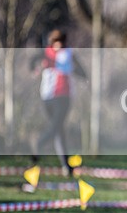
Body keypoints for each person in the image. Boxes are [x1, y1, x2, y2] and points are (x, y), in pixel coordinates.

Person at [31, 29, 87, 176]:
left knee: (56, 127)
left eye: (61, 43)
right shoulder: (45, 53)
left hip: (64, 97)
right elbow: (32, 63)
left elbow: (80, 71)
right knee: (58, 131)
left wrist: (81, 75)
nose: (59, 45)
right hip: (47, 97)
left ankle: (39, 145)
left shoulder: (68, 54)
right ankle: (65, 166)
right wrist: (36, 70)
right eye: (57, 43)